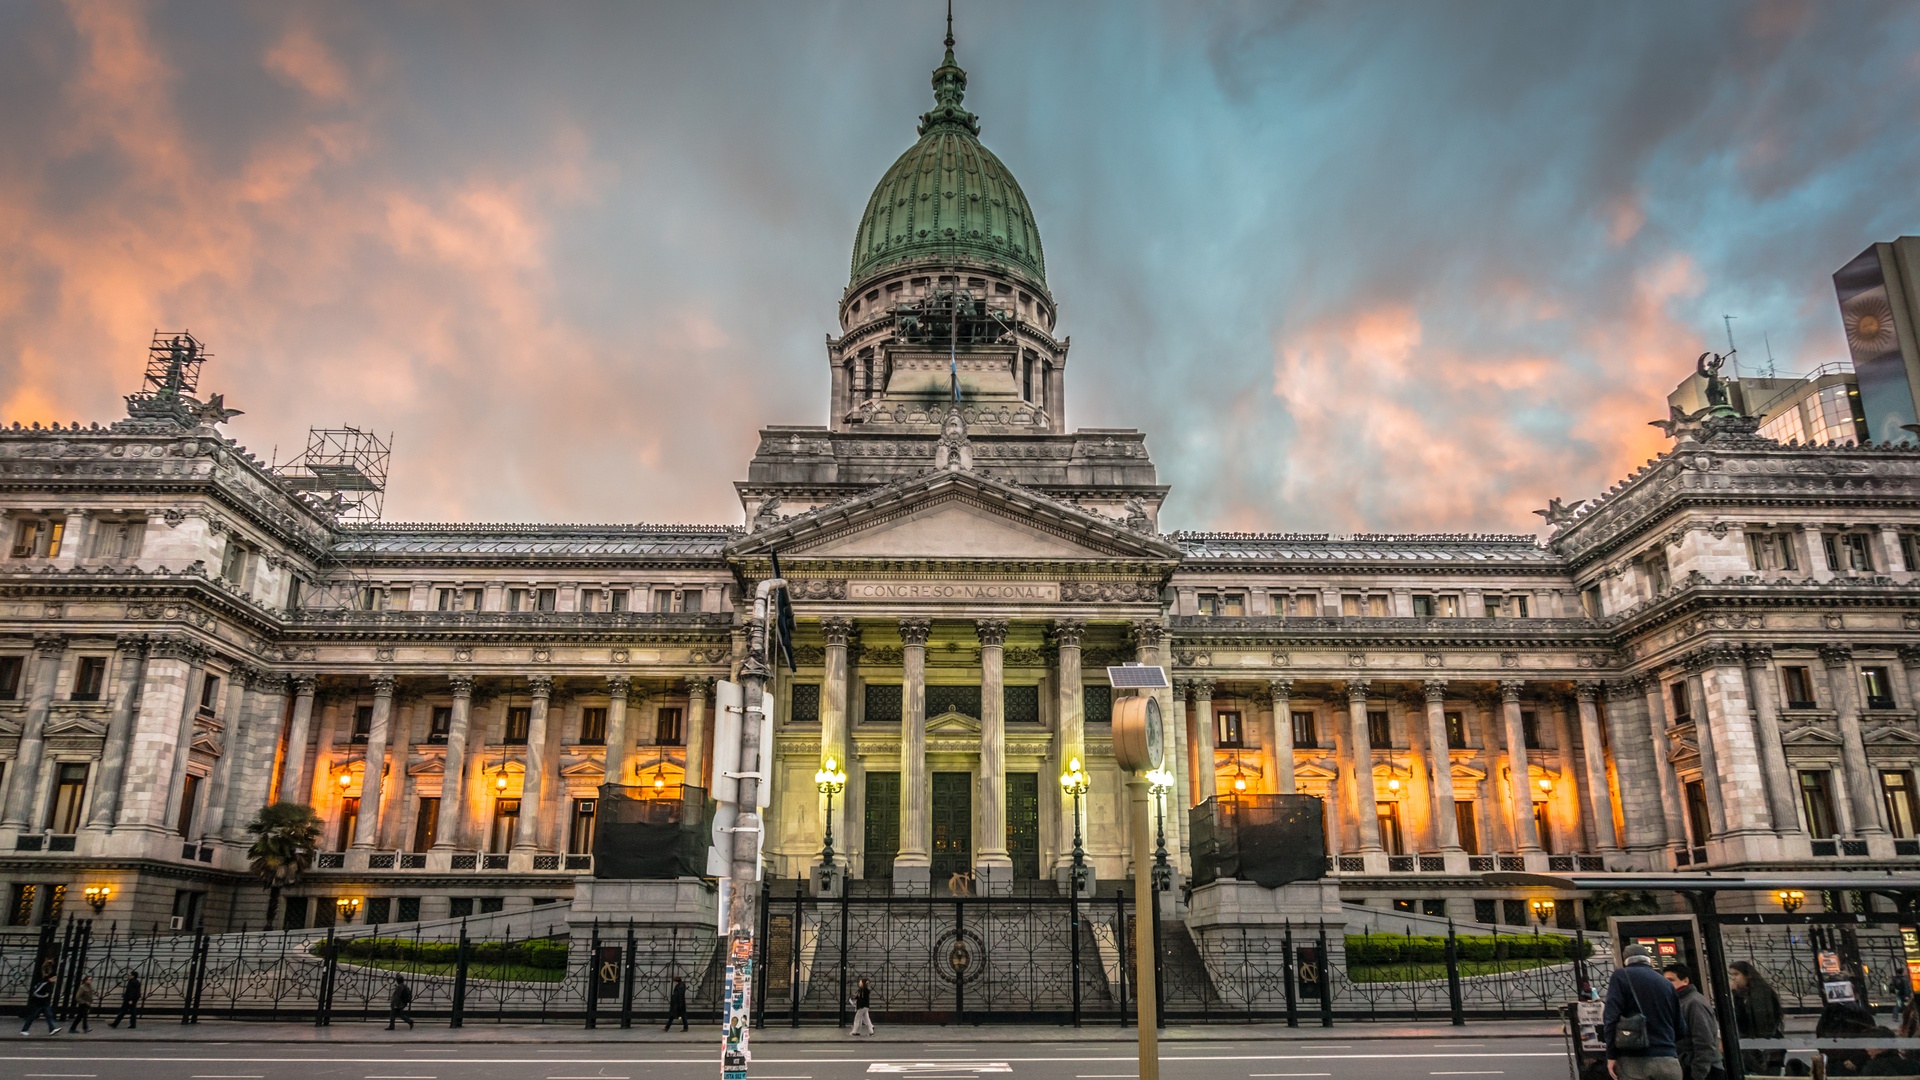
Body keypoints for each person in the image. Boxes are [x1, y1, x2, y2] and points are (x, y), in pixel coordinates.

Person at [1603, 943, 1684, 1080]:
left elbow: (1611, 1018)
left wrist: (1611, 1055)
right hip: (1668, 1061)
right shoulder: (1666, 983)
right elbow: (1681, 1028)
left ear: (1625, 961)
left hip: (1634, 1061)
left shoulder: (1620, 976)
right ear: (1650, 961)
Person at [1665, 963, 1723, 1080]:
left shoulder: (1693, 1002)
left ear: (1685, 981)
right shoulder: (1680, 1001)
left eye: (1671, 980)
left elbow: (1704, 1040)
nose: (1667, 984)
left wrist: (1697, 1073)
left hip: (1704, 1070)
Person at [1730, 961, 1784, 1075]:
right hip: (1762, 1048)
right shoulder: (1748, 993)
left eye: (1736, 974)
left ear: (1747, 975)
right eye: (1732, 975)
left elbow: (1746, 1022)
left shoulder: (1758, 994)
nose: (1733, 978)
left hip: (1765, 1048)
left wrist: (1735, 995)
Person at [19, 970, 59, 1036]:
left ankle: (52, 1029)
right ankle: (24, 1030)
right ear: (50, 978)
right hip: (38, 1003)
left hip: (44, 1003)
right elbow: (35, 992)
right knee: (32, 1016)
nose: (55, 979)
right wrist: (44, 996)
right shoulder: (44, 983)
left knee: (49, 1015)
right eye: (54, 978)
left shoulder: (49, 984)